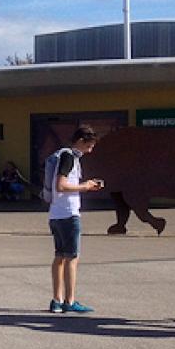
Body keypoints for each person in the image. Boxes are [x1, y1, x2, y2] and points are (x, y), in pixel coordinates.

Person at [47, 125, 103, 314]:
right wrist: (85, 186)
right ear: (80, 141)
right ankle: (69, 301)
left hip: (55, 213)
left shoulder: (62, 155)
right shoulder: (69, 157)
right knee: (72, 258)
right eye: (90, 145)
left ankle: (57, 299)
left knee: (59, 256)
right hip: (68, 214)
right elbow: (61, 185)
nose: (91, 149)